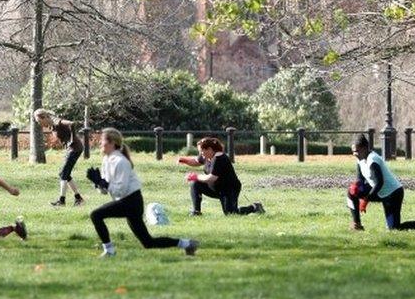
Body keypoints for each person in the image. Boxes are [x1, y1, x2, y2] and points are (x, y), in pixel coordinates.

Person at [86, 127, 199, 257]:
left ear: (112, 143)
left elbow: (120, 190)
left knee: (96, 215)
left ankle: (110, 251)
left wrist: (103, 183)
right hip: (125, 201)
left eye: (103, 140)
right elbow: (106, 191)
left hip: (131, 202)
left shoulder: (121, 162)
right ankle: (187, 244)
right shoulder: (106, 160)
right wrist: (97, 183)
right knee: (148, 242)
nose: (100, 143)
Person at [347, 134, 415, 232]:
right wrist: (358, 191)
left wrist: (365, 200)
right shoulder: (360, 160)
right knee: (352, 190)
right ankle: (357, 225)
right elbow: (360, 181)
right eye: (353, 151)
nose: (354, 154)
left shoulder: (372, 160)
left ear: (364, 148)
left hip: (393, 194)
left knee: (394, 228)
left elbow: (379, 183)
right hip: (379, 192)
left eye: (356, 151)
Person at [178, 137, 263, 216]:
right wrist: (184, 160)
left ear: (209, 149)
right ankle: (196, 211)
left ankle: (254, 207)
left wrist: (196, 176)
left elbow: (211, 178)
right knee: (195, 183)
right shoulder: (206, 155)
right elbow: (196, 161)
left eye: (201, 151)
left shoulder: (219, 158)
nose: (200, 154)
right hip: (216, 188)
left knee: (231, 214)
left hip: (229, 189)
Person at [34, 108, 85, 207]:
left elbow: (71, 123)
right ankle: (78, 199)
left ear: (44, 117)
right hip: (71, 149)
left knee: (63, 174)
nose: (39, 124)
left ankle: (62, 201)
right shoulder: (52, 125)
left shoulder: (57, 122)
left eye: (39, 121)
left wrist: (72, 139)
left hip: (75, 148)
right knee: (65, 173)